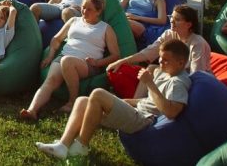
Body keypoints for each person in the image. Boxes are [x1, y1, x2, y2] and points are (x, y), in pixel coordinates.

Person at [36, 40, 191, 160]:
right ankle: (63, 145)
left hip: (145, 121)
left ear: (180, 62)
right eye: (161, 58)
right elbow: (147, 102)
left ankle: (81, 146)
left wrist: (150, 83)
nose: (161, 63)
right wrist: (121, 102)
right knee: (83, 100)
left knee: (97, 93)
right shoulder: (165, 74)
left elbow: (171, 112)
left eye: (166, 60)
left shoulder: (177, 82)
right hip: (138, 112)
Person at [21, 0, 121, 121]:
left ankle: (73, 102)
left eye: (89, 9)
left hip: (88, 63)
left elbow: (116, 54)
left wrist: (98, 63)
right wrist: (50, 56)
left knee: (67, 61)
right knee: (50, 80)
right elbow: (57, 39)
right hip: (65, 56)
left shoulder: (105, 28)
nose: (84, 11)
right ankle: (32, 110)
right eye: (83, 7)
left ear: (98, 11)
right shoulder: (74, 21)